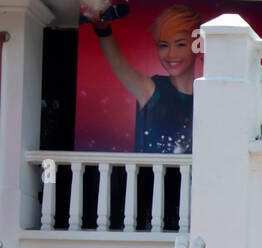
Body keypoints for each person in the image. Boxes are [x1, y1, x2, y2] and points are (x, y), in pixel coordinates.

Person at [83, 3, 201, 154]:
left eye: (180, 44)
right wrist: (103, 30)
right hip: (150, 177)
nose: (171, 54)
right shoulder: (153, 89)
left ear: (197, 46)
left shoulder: (207, 95)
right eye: (164, 45)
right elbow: (118, 62)